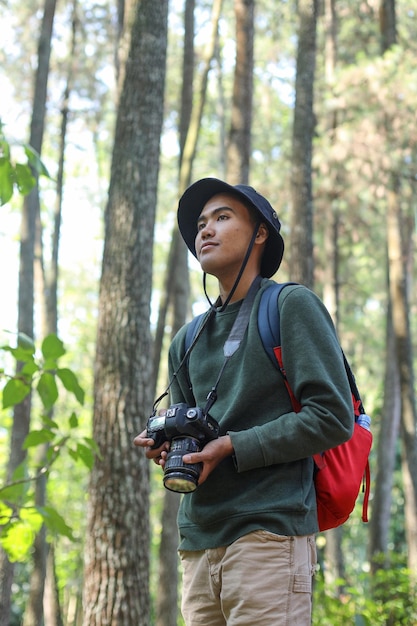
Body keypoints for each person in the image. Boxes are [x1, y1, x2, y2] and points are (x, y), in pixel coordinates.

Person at [134, 177, 353, 625]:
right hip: (198, 542)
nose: (205, 231)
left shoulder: (290, 306)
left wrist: (232, 445)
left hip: (268, 535)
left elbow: (332, 418)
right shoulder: (187, 339)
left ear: (260, 234)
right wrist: (172, 450)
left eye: (222, 217)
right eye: (200, 223)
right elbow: (192, 439)